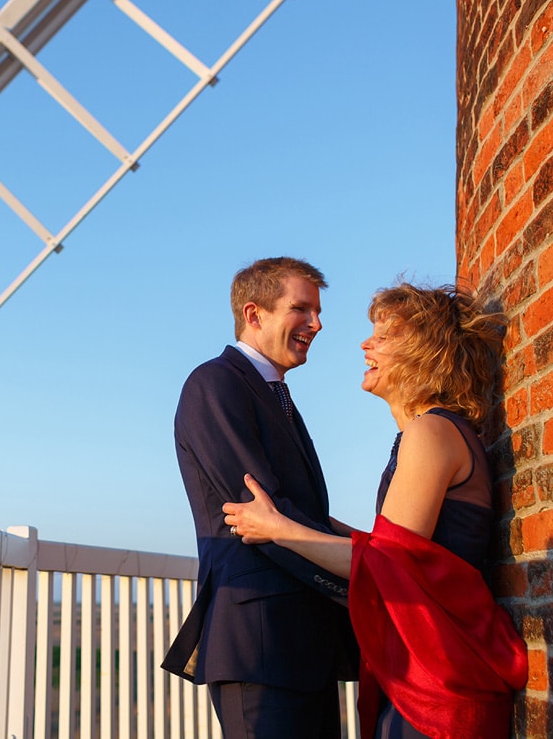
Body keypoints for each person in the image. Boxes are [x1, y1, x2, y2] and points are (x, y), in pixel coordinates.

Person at [223, 282, 528, 738]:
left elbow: (388, 564)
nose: (366, 344)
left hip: (440, 683)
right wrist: (310, 516)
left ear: (425, 351)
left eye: (384, 336)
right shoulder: (428, 433)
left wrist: (279, 529)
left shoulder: (432, 432)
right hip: (426, 670)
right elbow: (390, 548)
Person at [162, 257, 357, 738]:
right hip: (261, 644)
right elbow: (259, 513)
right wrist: (355, 579)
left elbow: (303, 514)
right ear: (254, 314)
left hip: (303, 644)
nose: (317, 323)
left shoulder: (276, 394)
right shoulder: (214, 383)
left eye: (317, 311)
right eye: (302, 309)